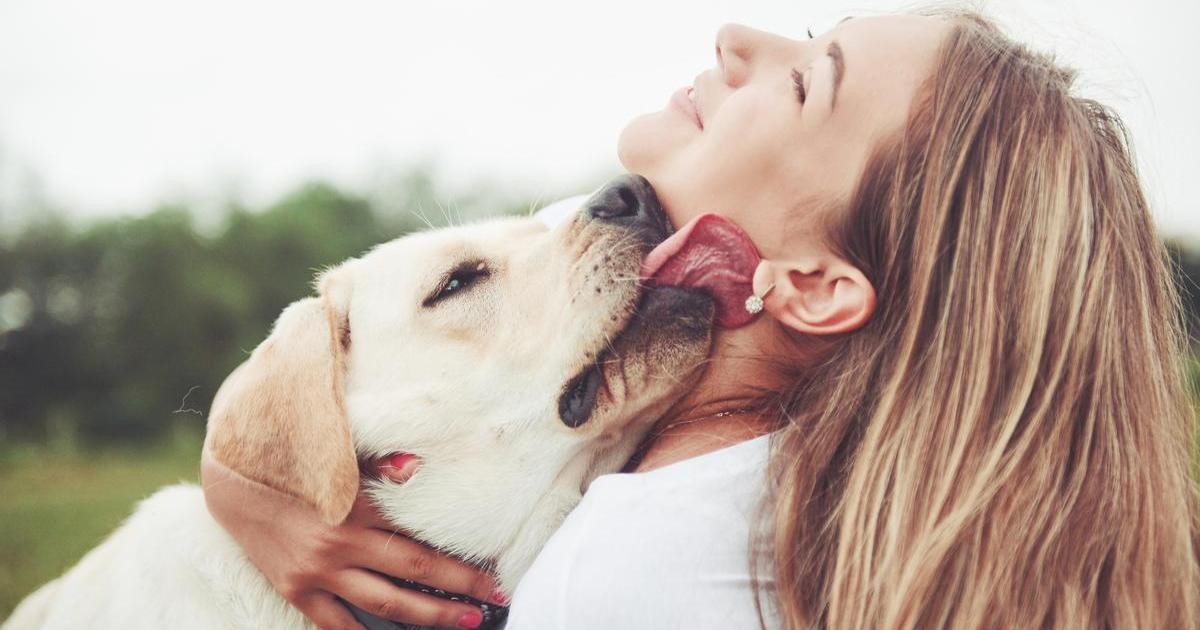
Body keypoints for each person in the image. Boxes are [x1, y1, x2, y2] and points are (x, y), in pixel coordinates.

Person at [202, 8, 1200, 630]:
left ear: (810, 286)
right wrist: (251, 475)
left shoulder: (641, 575)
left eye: (807, 81)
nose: (738, 36)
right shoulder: (644, 277)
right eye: (812, 32)